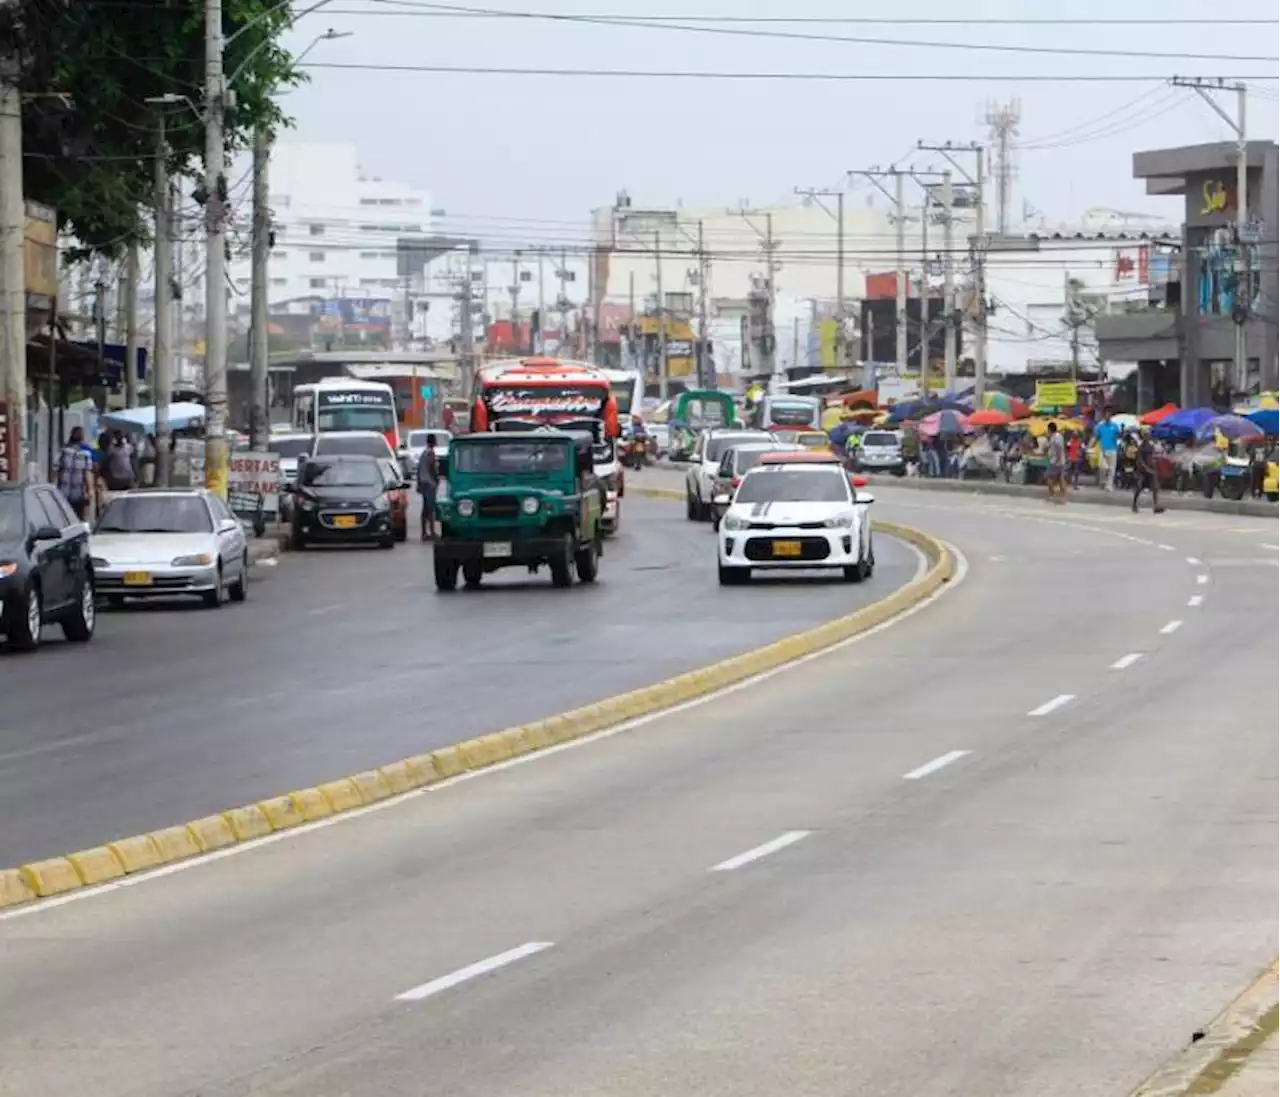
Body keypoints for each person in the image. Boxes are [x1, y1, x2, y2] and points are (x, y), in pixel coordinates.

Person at [55, 426, 95, 520]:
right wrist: (90, 490)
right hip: (79, 494)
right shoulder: (85, 454)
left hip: (63, 493)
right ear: (82, 438)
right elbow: (87, 473)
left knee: (65, 519)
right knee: (81, 518)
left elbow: (56, 470)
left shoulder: (63, 451)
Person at [1133, 428, 1165, 514]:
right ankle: (1134, 504)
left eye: (1148, 435)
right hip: (1142, 470)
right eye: (1145, 435)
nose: (1147, 436)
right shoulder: (1141, 447)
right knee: (1139, 487)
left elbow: (1152, 458)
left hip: (1150, 469)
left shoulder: (1150, 446)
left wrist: (1153, 468)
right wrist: (1147, 469)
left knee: (1155, 487)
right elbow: (1140, 461)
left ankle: (1156, 505)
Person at [417, 433, 438, 541]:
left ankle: (424, 532)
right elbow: (432, 468)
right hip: (430, 483)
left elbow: (418, 468)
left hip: (423, 482)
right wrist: (436, 479)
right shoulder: (431, 453)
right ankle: (432, 531)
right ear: (433, 442)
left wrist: (418, 483)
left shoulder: (423, 453)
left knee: (425, 508)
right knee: (431, 508)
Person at [1094, 409, 1121, 491]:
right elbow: (1096, 437)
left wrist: (1118, 444)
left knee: (1112, 469)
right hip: (1103, 449)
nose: (1107, 416)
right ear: (1104, 416)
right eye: (1106, 414)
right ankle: (1103, 481)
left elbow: (1118, 436)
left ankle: (1109, 486)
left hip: (1113, 449)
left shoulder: (1115, 426)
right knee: (1103, 467)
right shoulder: (1100, 426)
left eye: (1109, 415)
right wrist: (1090, 446)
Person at [1045, 420, 1067, 505]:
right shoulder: (1057, 436)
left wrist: (1057, 459)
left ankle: (1051, 496)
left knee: (1049, 478)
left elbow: (1058, 448)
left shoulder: (1055, 437)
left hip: (1055, 461)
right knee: (1061, 479)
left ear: (1050, 429)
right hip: (1060, 461)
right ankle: (1063, 498)